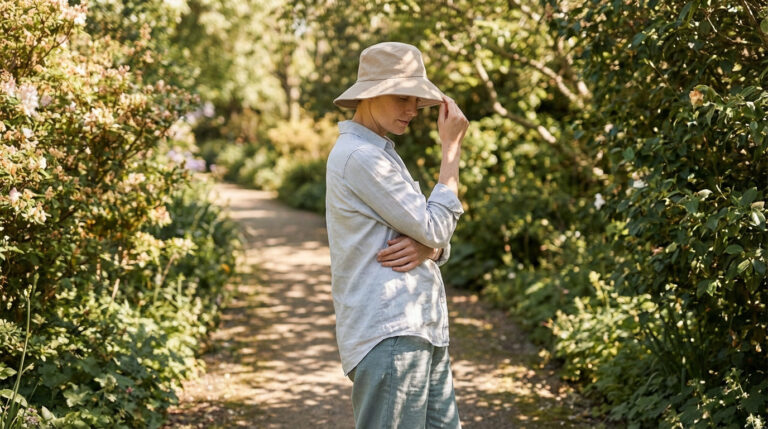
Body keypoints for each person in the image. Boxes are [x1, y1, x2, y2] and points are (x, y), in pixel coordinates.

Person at [325, 41, 469, 428]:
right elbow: (435, 226)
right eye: (403, 97)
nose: (412, 111)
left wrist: (432, 250)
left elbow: (430, 235)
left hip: (419, 326)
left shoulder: (381, 153)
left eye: (418, 101)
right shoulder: (361, 156)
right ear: (370, 94)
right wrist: (451, 149)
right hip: (391, 334)